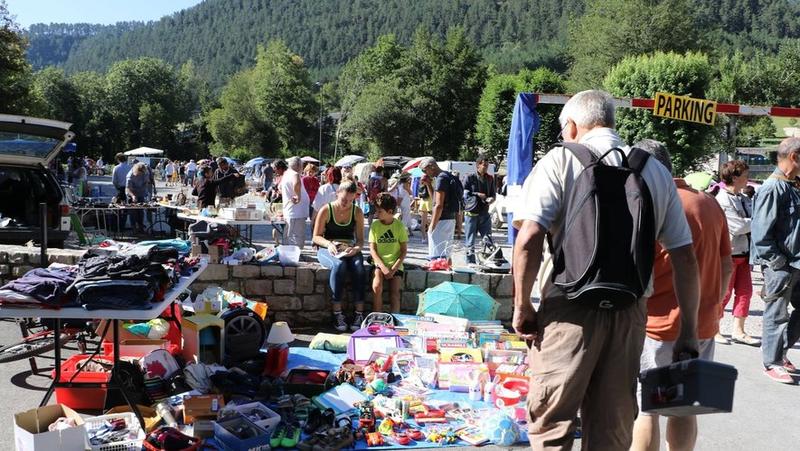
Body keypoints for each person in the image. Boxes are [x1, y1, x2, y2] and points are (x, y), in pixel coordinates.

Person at [511, 90, 700, 449]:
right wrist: (688, 331)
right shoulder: (654, 170)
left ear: (571, 126)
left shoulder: (558, 161)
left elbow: (529, 237)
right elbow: (685, 257)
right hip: (629, 314)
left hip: (568, 311)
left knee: (552, 423)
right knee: (612, 428)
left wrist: (523, 306)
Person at [630, 140, 733, 451]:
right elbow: (727, 263)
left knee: (649, 407)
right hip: (702, 324)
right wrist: (715, 306)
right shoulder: (709, 203)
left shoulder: (651, 203)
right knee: (684, 406)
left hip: (658, 325)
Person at [750, 137, 800, 384]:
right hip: (782, 266)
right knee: (776, 314)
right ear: (794, 157)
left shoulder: (792, 185)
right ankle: (771, 363)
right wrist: (778, 263)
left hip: (795, 264)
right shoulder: (772, 188)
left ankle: (779, 353)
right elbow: (761, 235)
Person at [715, 160, 759, 346]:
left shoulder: (743, 198)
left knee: (745, 293)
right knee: (723, 294)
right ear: (734, 177)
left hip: (744, 252)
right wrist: (760, 221)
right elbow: (739, 226)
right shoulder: (723, 200)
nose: (748, 179)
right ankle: (713, 328)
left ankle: (738, 330)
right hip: (729, 254)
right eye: (745, 176)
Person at [312, 180, 367, 331]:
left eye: (351, 200)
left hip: (349, 248)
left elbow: (361, 240)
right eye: (344, 200)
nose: (346, 204)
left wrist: (355, 249)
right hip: (328, 247)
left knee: (358, 267)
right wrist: (329, 244)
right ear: (337, 194)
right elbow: (316, 237)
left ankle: (359, 313)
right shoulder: (326, 210)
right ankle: (337, 312)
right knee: (339, 265)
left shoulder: (357, 212)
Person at [369, 193, 408, 313]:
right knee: (376, 287)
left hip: (395, 265)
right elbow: (373, 249)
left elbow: (403, 251)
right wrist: (383, 267)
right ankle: (377, 317)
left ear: (390, 211)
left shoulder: (399, 226)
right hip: (379, 264)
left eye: (380, 211)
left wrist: (394, 268)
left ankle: (395, 319)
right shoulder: (375, 225)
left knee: (395, 293)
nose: (377, 214)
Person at [419, 158, 461, 260]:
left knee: (436, 256)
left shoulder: (441, 179)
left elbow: (438, 205)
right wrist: (428, 184)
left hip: (441, 221)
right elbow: (436, 198)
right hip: (450, 219)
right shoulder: (448, 176)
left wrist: (432, 226)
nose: (425, 173)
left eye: (425, 170)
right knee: (446, 254)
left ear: (431, 166)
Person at [463, 156, 496, 264]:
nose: (486, 167)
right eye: (484, 165)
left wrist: (491, 199)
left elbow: (493, 194)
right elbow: (464, 193)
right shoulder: (470, 177)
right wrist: (477, 194)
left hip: (484, 212)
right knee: (470, 240)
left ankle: (487, 261)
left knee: (488, 239)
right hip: (471, 213)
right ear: (478, 165)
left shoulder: (490, 178)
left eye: (487, 165)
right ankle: (470, 262)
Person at [280, 156, 311, 249]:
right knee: (296, 237)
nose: (302, 168)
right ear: (298, 165)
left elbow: (279, 187)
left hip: (292, 211)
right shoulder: (295, 174)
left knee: (289, 235)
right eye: (302, 165)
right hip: (296, 212)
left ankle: (289, 253)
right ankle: (293, 255)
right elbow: (296, 183)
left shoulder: (286, 174)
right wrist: (298, 196)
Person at [126, 163, 151, 233]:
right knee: (133, 211)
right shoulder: (130, 176)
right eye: (140, 174)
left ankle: (141, 226)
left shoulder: (145, 172)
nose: (141, 175)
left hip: (141, 193)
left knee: (141, 211)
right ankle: (133, 227)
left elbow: (146, 182)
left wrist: (145, 188)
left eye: (142, 173)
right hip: (131, 193)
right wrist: (133, 196)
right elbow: (128, 188)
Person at [417, 174, 433, 242]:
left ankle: (423, 238)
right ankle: (431, 237)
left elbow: (419, 195)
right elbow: (431, 194)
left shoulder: (421, 183)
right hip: (430, 202)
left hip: (423, 202)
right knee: (432, 221)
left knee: (423, 222)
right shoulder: (431, 182)